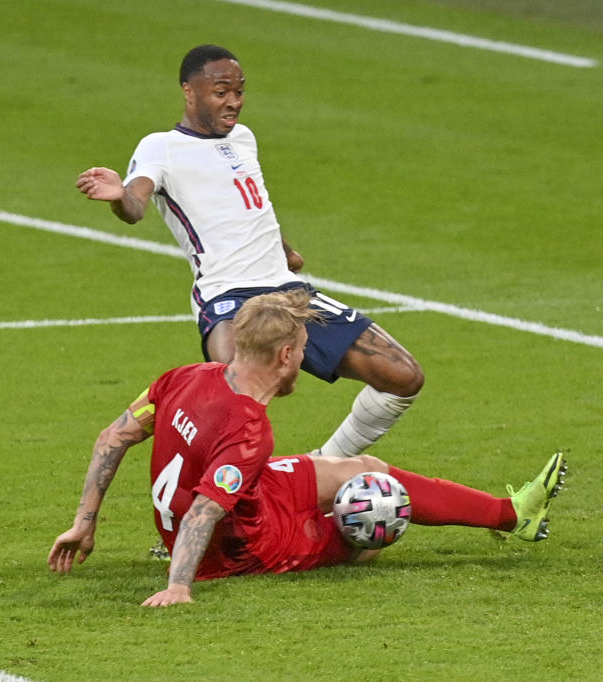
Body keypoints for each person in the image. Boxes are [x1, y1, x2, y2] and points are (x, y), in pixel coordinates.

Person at [47, 290, 567, 607]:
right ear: (287, 354)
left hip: (254, 491)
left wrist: (84, 522)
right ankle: (353, 540)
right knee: (368, 521)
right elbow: (206, 511)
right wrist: (181, 584)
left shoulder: (186, 377)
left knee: (363, 469)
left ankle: (511, 514)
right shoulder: (249, 432)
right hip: (245, 548)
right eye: (302, 351)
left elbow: (113, 436)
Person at [75, 44, 423, 459]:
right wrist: (118, 196)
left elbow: (250, 207)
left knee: (404, 376)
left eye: (239, 92)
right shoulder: (160, 147)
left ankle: (320, 467)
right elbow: (134, 207)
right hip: (227, 296)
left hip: (289, 292)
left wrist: (286, 251)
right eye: (221, 92)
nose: (234, 102)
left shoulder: (243, 139)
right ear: (189, 91)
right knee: (235, 401)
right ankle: (219, 496)